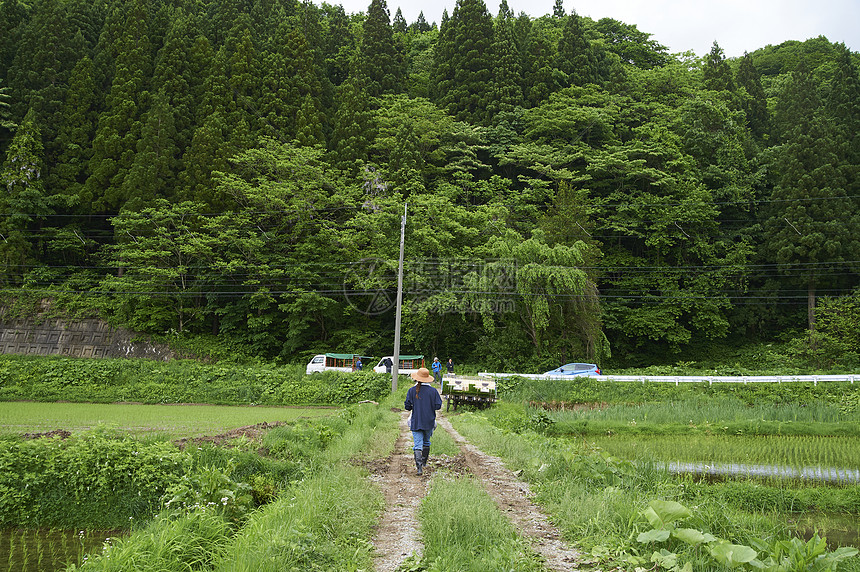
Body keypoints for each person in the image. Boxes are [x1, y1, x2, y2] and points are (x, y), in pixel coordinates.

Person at [403, 367, 442, 475]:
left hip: (416, 421)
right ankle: (424, 463)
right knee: (426, 442)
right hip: (429, 422)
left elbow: (407, 407)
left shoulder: (411, 390)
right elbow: (438, 406)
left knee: (417, 445)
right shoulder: (433, 391)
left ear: (417, 378)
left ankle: (419, 468)